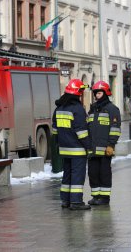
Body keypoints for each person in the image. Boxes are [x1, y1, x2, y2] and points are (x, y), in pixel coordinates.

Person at [52, 79, 92, 210]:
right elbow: (82, 132)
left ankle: (65, 200)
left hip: (64, 149)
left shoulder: (58, 109)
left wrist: (59, 143)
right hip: (77, 150)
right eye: (81, 92)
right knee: (77, 176)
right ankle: (76, 202)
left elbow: (55, 131)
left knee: (67, 175)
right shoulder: (78, 109)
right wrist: (89, 146)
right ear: (77, 93)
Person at [87, 81, 121, 205]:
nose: (97, 96)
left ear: (106, 93)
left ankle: (105, 198)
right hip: (92, 149)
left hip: (106, 149)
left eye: (99, 93)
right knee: (93, 173)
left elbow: (115, 129)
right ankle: (96, 196)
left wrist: (111, 145)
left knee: (104, 173)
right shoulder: (93, 109)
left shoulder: (112, 109)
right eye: (95, 93)